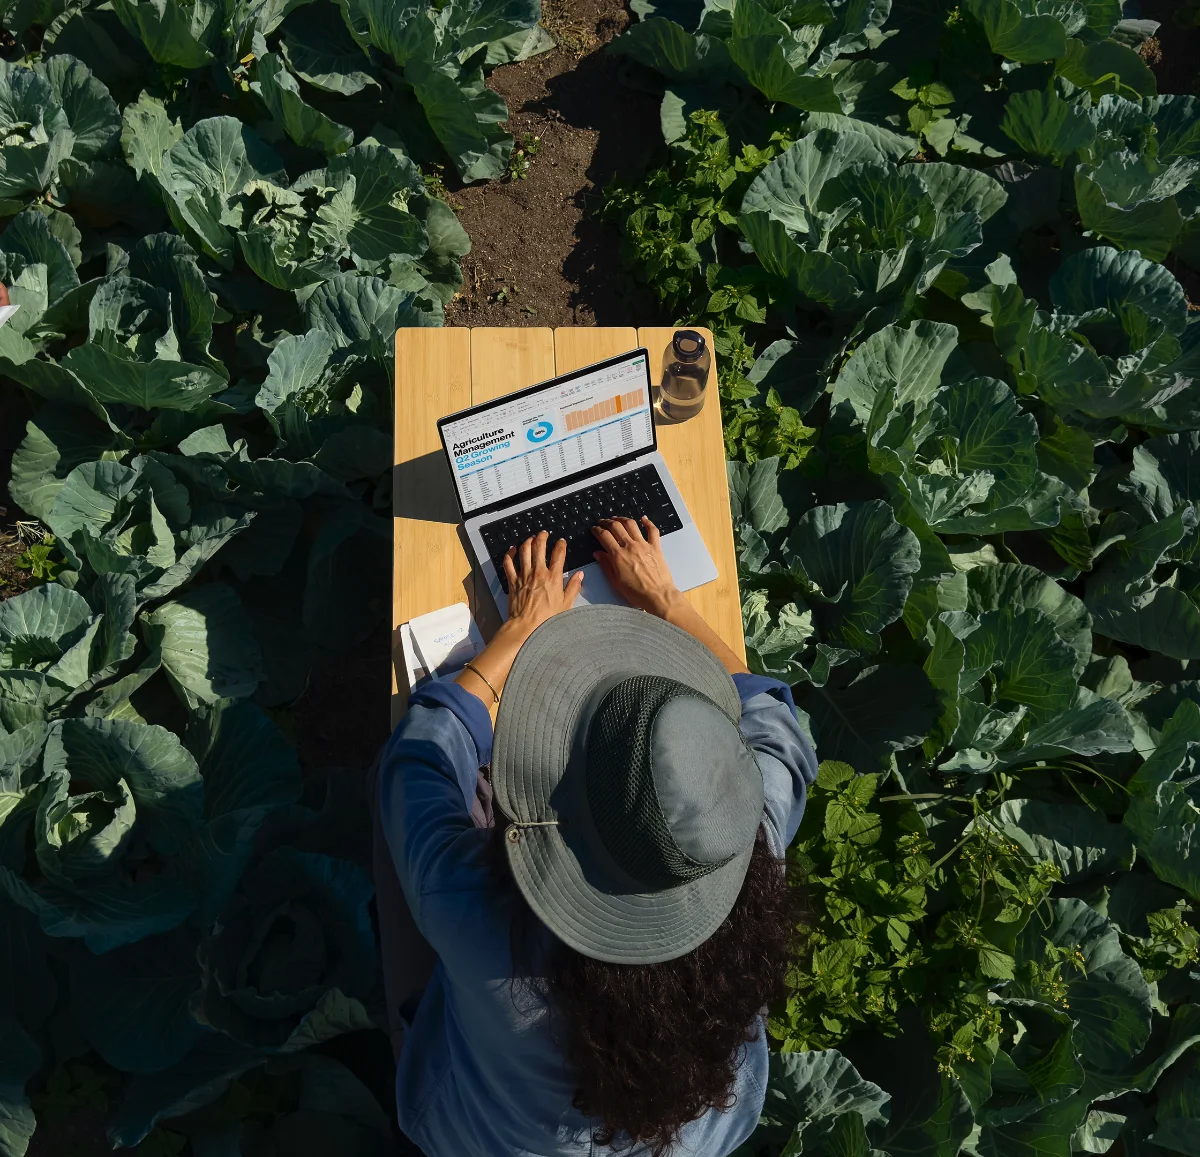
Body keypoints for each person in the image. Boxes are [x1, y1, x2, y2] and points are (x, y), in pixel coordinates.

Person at [372, 515, 817, 1157]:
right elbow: (777, 719)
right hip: (693, 1142)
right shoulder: (743, 842)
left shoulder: (479, 916)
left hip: (475, 1136)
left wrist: (519, 633)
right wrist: (666, 599)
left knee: (385, 789)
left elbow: (419, 760)